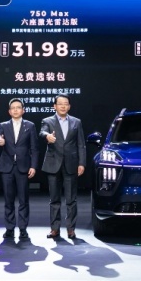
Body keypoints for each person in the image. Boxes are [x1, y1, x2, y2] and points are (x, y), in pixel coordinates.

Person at [40, 94, 86, 239]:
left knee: (71, 199)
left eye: (65, 103)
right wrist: (47, 136)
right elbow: (42, 132)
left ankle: (71, 229)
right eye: (60, 104)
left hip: (71, 164)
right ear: (54, 106)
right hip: (53, 163)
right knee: (54, 199)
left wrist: (82, 163)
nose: (63, 106)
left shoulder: (76, 122)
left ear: (69, 106)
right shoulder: (48, 121)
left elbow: (81, 144)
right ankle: (55, 229)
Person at [0, 98, 39, 242]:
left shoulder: (30, 126)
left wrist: (33, 166)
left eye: (18, 107)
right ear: (9, 111)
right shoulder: (3, 125)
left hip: (23, 167)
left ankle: (23, 229)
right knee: (8, 199)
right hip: (7, 167)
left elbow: (34, 148)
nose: (15, 110)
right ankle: (9, 228)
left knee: (23, 200)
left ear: (23, 110)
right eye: (13, 108)